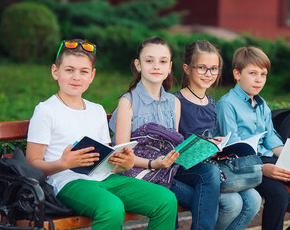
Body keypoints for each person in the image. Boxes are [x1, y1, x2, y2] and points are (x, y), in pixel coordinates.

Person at [26, 39, 178, 230]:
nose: (76, 77)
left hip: (104, 178)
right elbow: (32, 164)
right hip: (68, 182)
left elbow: (107, 160)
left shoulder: (96, 110)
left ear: (92, 75)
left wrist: (124, 165)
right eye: (69, 70)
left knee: (165, 200)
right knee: (111, 208)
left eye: (83, 72)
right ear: (55, 71)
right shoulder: (46, 110)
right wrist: (64, 163)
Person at [215, 46, 290, 230]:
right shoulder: (227, 104)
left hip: (270, 159)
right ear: (237, 74)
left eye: (263, 74)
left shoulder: (262, 105)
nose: (259, 79)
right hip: (246, 167)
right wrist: (263, 168)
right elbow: (232, 149)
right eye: (253, 73)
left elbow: (271, 140)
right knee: (279, 195)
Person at [109, 36, 220, 230]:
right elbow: (121, 156)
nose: (156, 66)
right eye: (149, 60)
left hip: (166, 171)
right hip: (138, 173)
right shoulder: (128, 102)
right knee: (201, 201)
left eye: (162, 61)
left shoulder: (173, 103)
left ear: (169, 66)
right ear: (138, 65)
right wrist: (154, 163)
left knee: (209, 182)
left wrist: (204, 147)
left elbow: (173, 147)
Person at [173, 40, 261, 230]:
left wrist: (219, 145)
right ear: (187, 69)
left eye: (214, 69)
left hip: (211, 166)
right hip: (185, 169)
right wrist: (206, 145)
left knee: (253, 199)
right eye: (202, 68)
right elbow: (174, 144)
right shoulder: (176, 101)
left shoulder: (212, 102)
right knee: (232, 203)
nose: (209, 74)